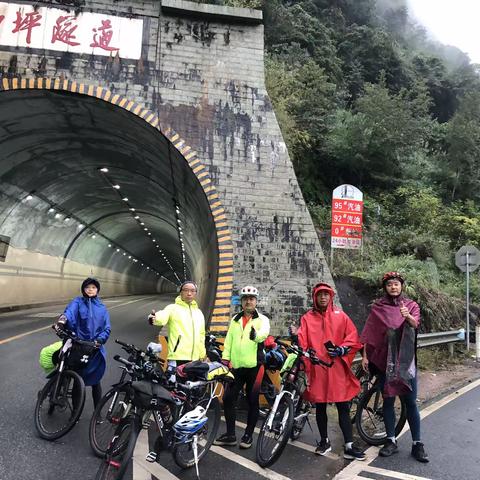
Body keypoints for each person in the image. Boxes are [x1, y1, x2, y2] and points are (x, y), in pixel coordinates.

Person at [291, 282, 365, 460]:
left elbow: (352, 336)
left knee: (343, 406)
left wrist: (342, 349)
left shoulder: (341, 316)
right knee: (321, 406)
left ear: (331, 296)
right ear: (315, 297)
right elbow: (303, 340)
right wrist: (295, 336)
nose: (323, 297)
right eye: (320, 294)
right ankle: (324, 441)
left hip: (337, 368)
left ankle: (348, 445)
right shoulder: (307, 318)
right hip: (318, 368)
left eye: (326, 294)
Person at [361, 272, 429, 463]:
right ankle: (391, 440)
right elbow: (369, 334)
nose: (393, 287)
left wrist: (407, 317)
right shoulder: (378, 308)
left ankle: (417, 443)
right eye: (389, 284)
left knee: (411, 402)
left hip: (406, 362)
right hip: (384, 362)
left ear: (401, 286)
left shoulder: (411, 306)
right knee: (388, 400)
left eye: (396, 284)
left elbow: (415, 324)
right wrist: (366, 356)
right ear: (385, 288)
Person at [214, 285, 270, 449]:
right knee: (228, 399)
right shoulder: (235, 320)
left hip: (255, 367)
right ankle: (231, 435)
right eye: (245, 299)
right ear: (242, 301)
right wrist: (225, 359)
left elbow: (263, 334)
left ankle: (248, 435)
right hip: (237, 367)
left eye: (251, 299)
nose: (248, 301)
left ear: (256, 301)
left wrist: (256, 335)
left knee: (253, 401)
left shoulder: (262, 320)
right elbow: (229, 341)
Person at [55, 277, 111, 409]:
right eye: (87, 287)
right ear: (83, 289)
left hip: (94, 347)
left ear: (97, 290)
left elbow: (107, 327)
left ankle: (98, 414)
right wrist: (62, 321)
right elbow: (69, 312)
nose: (90, 290)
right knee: (77, 380)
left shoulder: (102, 308)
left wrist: (100, 340)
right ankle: (75, 413)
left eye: (93, 287)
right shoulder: (77, 302)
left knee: (96, 382)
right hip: (78, 345)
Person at [148, 280, 206, 366]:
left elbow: (201, 335)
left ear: (195, 293)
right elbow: (162, 316)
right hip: (177, 358)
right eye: (186, 290)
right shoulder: (172, 308)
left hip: (195, 359)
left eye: (192, 291)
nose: (189, 293)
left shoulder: (199, 313)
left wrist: (202, 354)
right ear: (181, 292)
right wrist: (154, 318)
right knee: (175, 379)